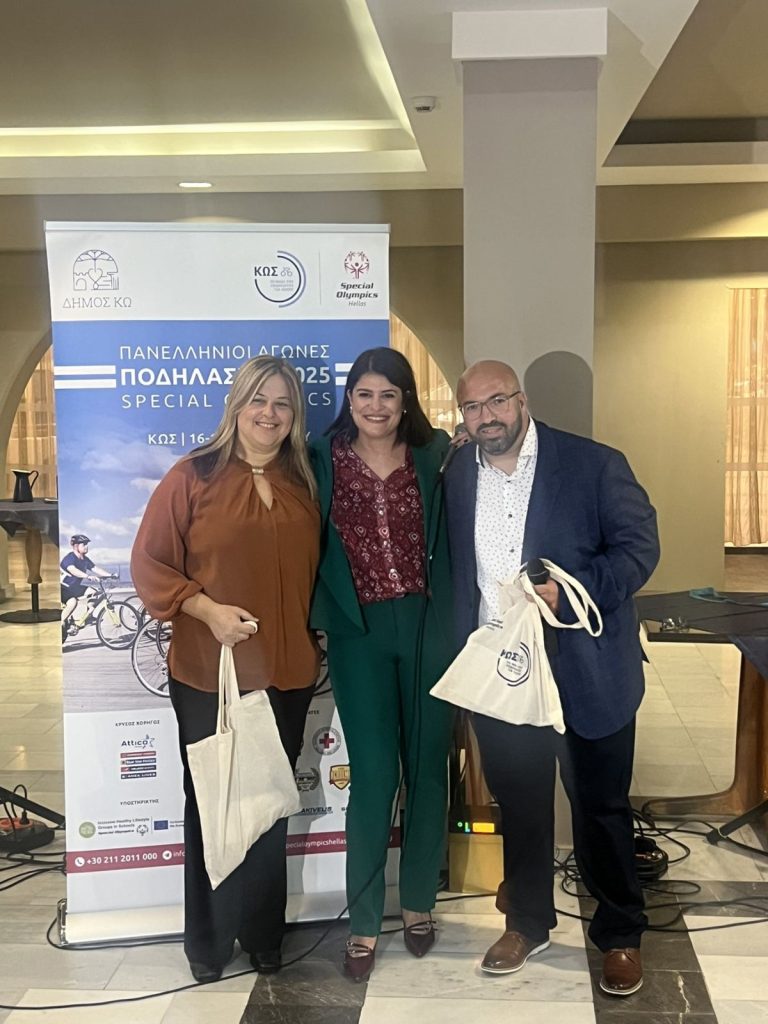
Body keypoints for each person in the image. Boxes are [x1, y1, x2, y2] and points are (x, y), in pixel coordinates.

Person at [442, 359, 660, 997]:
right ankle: (527, 923)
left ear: (522, 400)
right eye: (473, 407)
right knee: (522, 806)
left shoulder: (594, 464)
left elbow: (638, 548)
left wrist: (574, 591)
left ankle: (619, 935)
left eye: (497, 401)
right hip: (505, 673)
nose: (487, 416)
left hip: (587, 670)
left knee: (601, 808)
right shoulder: (456, 473)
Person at [131, 356, 320, 984]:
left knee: (268, 803)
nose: (269, 414)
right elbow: (151, 563)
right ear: (236, 406)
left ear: (294, 416)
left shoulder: (305, 480)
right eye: (258, 400)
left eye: (282, 403)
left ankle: (264, 933)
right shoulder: (192, 476)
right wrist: (207, 610)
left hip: (286, 671)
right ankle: (209, 944)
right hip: (208, 672)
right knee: (212, 802)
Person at [310, 347, 455, 981]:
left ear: (406, 401)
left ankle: (418, 903)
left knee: (427, 769)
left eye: (388, 395)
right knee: (372, 777)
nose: (376, 406)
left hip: (428, 627)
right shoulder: (321, 457)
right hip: (358, 630)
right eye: (364, 394)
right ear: (350, 399)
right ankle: (364, 922)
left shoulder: (436, 452)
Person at [60, 534, 115, 642]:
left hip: (74, 587)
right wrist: (87, 576)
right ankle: (60, 623)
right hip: (62, 587)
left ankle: (88, 617)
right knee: (73, 602)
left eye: (87, 544)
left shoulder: (84, 559)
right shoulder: (69, 558)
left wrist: (109, 575)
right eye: (84, 544)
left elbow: (95, 568)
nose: (86, 546)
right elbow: (72, 570)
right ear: (76, 546)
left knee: (96, 593)